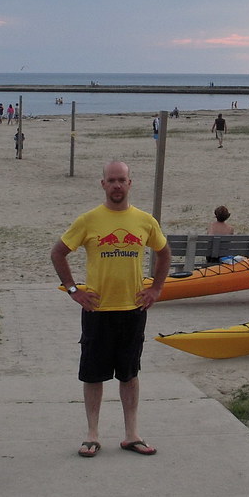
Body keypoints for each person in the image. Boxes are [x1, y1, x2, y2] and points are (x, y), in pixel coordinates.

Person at [51, 161, 171, 459]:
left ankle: (132, 435)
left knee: (129, 374)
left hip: (133, 309)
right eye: (112, 180)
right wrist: (74, 290)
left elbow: (164, 253)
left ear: (130, 183)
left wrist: (156, 288)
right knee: (93, 375)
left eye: (122, 180)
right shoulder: (89, 220)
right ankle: (92, 435)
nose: (117, 185)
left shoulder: (145, 221)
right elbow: (58, 253)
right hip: (97, 310)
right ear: (103, 184)